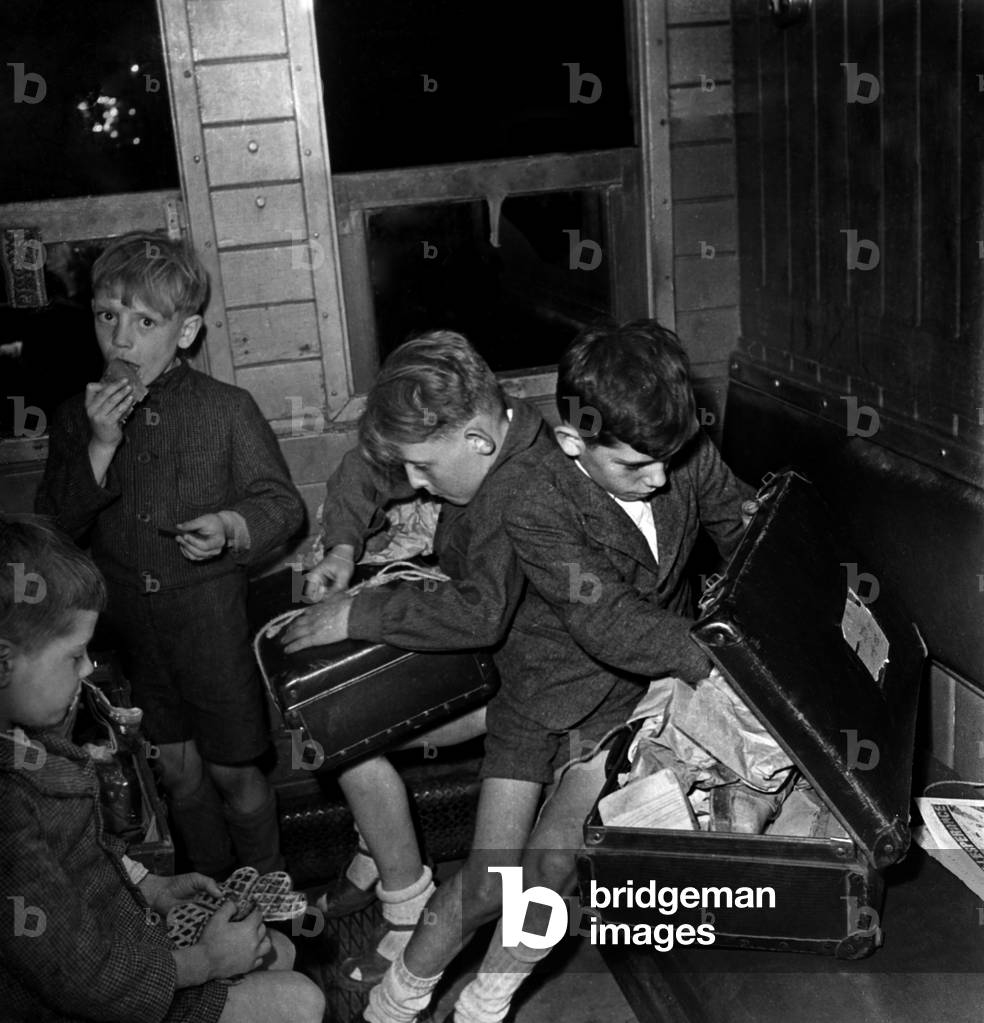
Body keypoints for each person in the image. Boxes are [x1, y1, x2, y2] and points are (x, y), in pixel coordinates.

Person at [365, 320, 752, 1023]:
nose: (661, 476)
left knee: (549, 872)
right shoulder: (532, 497)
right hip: (539, 694)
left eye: (667, 457)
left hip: (624, 703)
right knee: (487, 881)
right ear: (575, 441)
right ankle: (392, 1000)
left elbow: (741, 523)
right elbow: (606, 619)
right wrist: (723, 656)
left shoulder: (673, 447)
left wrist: (796, 574)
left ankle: (485, 1003)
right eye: (636, 466)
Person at [280, 331, 553, 988]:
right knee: (331, 720)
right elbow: (361, 470)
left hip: (522, 683)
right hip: (489, 656)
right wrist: (343, 547)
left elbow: (481, 614)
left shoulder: (522, 490)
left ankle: (403, 900)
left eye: (423, 468)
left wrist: (357, 612)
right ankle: (378, 853)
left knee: (347, 729)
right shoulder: (472, 435)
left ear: (479, 442)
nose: (412, 484)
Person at [36, 231, 305, 878]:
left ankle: (269, 886)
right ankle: (206, 891)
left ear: (185, 334)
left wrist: (231, 524)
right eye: (107, 316)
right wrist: (100, 445)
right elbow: (52, 525)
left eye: (145, 322)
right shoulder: (78, 417)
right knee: (179, 778)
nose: (120, 341)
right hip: (132, 638)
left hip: (212, 628)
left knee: (236, 773)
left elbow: (282, 505)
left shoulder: (226, 410)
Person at [0, 515, 325, 1023]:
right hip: (92, 996)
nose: (88, 670)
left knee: (277, 952)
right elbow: (82, 980)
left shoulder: (27, 738)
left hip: (118, 935)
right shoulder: (8, 806)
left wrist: (152, 887)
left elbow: (85, 847)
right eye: (74, 656)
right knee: (303, 1001)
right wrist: (206, 961)